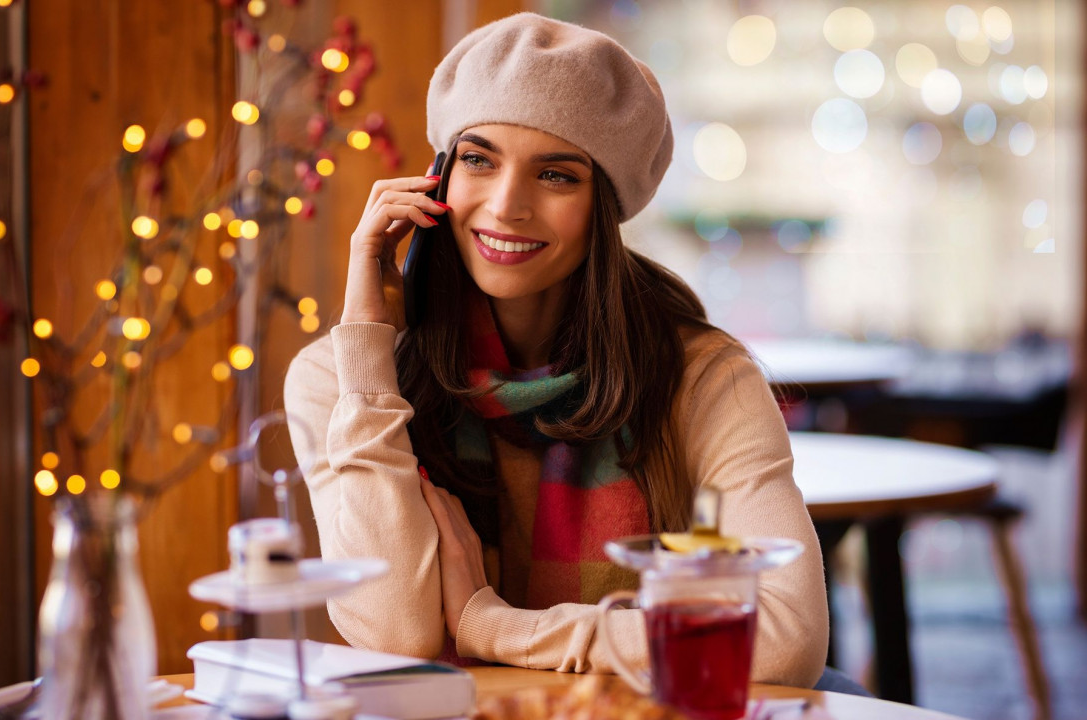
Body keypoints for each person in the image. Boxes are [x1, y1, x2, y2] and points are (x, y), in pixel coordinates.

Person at [284, 12, 828, 688]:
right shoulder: (338, 380)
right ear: (438, 179)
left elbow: (787, 640)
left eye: (556, 176)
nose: (506, 205)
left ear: (604, 207)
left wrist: (496, 626)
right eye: (478, 160)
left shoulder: (701, 376)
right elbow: (395, 630)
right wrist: (367, 350)